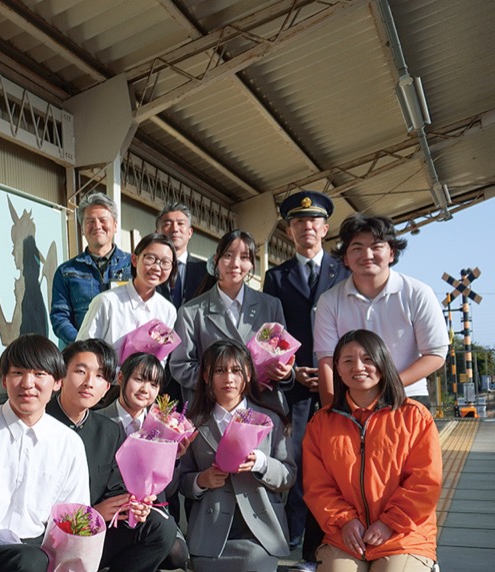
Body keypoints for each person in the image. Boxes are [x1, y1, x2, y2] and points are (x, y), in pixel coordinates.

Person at [303, 329, 442, 572]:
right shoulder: (321, 423)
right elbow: (317, 486)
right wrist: (345, 521)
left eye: (368, 359)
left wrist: (389, 523)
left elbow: (425, 483)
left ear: (383, 362)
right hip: (345, 537)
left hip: (404, 535)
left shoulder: (415, 416)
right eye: (348, 360)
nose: (359, 367)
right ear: (336, 367)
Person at [262, 190, 349, 567]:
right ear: (289, 230)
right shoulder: (275, 276)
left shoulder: (344, 270)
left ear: (325, 228)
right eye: (298, 222)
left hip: (341, 383)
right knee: (297, 459)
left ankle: (336, 528)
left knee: (339, 459)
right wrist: (291, 367)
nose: (306, 227)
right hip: (295, 385)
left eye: (313, 221)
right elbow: (270, 334)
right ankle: (296, 529)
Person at [47, 340, 182, 572]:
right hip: (48, 535)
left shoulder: (109, 430)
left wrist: (132, 505)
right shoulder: (42, 423)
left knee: (161, 528)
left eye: (100, 376)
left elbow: (117, 486)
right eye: (81, 371)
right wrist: (91, 514)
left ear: (107, 387)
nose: (89, 383)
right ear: (60, 376)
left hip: (96, 531)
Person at [0, 334, 89, 571]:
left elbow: (73, 514)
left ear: (58, 382)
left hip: (38, 549)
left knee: (33, 560)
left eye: (39, 374)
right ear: (4, 380)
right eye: (18, 373)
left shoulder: (69, 443)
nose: (28, 384)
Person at [177, 340, 295, 572]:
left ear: (249, 374)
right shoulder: (191, 424)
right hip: (210, 533)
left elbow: (288, 475)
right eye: (219, 371)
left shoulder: (271, 419)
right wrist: (202, 480)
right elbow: (181, 481)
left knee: (254, 563)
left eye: (236, 370)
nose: (228, 379)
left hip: (260, 531)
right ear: (206, 377)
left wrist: (261, 463)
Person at [313, 213, 449, 410]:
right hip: (351, 403)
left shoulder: (418, 293)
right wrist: (330, 411)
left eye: (376, 247)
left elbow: (436, 354)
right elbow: (326, 360)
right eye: (357, 248)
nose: (367, 255)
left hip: (407, 397)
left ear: (392, 253)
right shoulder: (329, 301)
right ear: (345, 259)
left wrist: (388, 387)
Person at [170, 229, 293, 412]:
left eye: (244, 257)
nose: (235, 264)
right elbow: (181, 365)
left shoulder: (271, 306)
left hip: (264, 407)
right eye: (228, 255)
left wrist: (286, 372)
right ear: (216, 260)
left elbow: (286, 355)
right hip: (212, 410)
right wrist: (223, 384)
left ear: (252, 264)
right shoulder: (191, 311)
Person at [51, 193, 132, 346]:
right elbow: (59, 317)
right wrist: (83, 344)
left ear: (115, 225)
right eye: (90, 221)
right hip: (83, 356)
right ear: (82, 228)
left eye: (103, 220)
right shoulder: (66, 271)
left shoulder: (134, 266)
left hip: (127, 356)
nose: (97, 226)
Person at [75, 233, 177, 355]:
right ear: (134, 260)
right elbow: (83, 351)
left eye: (165, 262)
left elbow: (161, 358)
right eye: (150, 258)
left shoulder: (168, 310)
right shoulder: (107, 302)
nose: (156, 267)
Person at [155, 202, 209, 309]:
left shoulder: (206, 271)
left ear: (190, 232)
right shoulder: (149, 269)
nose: (175, 229)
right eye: (167, 224)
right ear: (157, 233)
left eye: (180, 224)